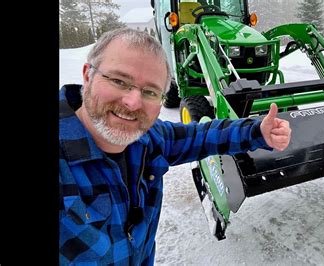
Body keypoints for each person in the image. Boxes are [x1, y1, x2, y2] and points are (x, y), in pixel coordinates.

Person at [59, 28, 291, 265]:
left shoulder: (149, 138)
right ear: (88, 75)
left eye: (150, 92)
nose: (132, 102)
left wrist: (256, 131)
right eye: (119, 81)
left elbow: (201, 136)